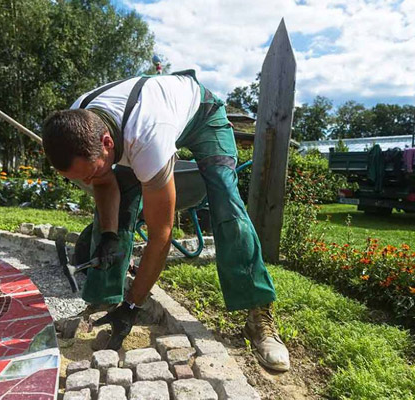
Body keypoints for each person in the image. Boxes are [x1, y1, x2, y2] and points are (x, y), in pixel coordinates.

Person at [40, 71, 290, 371]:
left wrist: (133, 306)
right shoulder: (80, 119)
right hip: (140, 128)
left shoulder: (148, 135)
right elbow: (104, 183)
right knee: (113, 213)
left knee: (226, 200)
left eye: (90, 173)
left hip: (202, 114)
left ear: (107, 142)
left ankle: (258, 315)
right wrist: (107, 235)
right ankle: (103, 301)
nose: (88, 182)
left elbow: (162, 235)